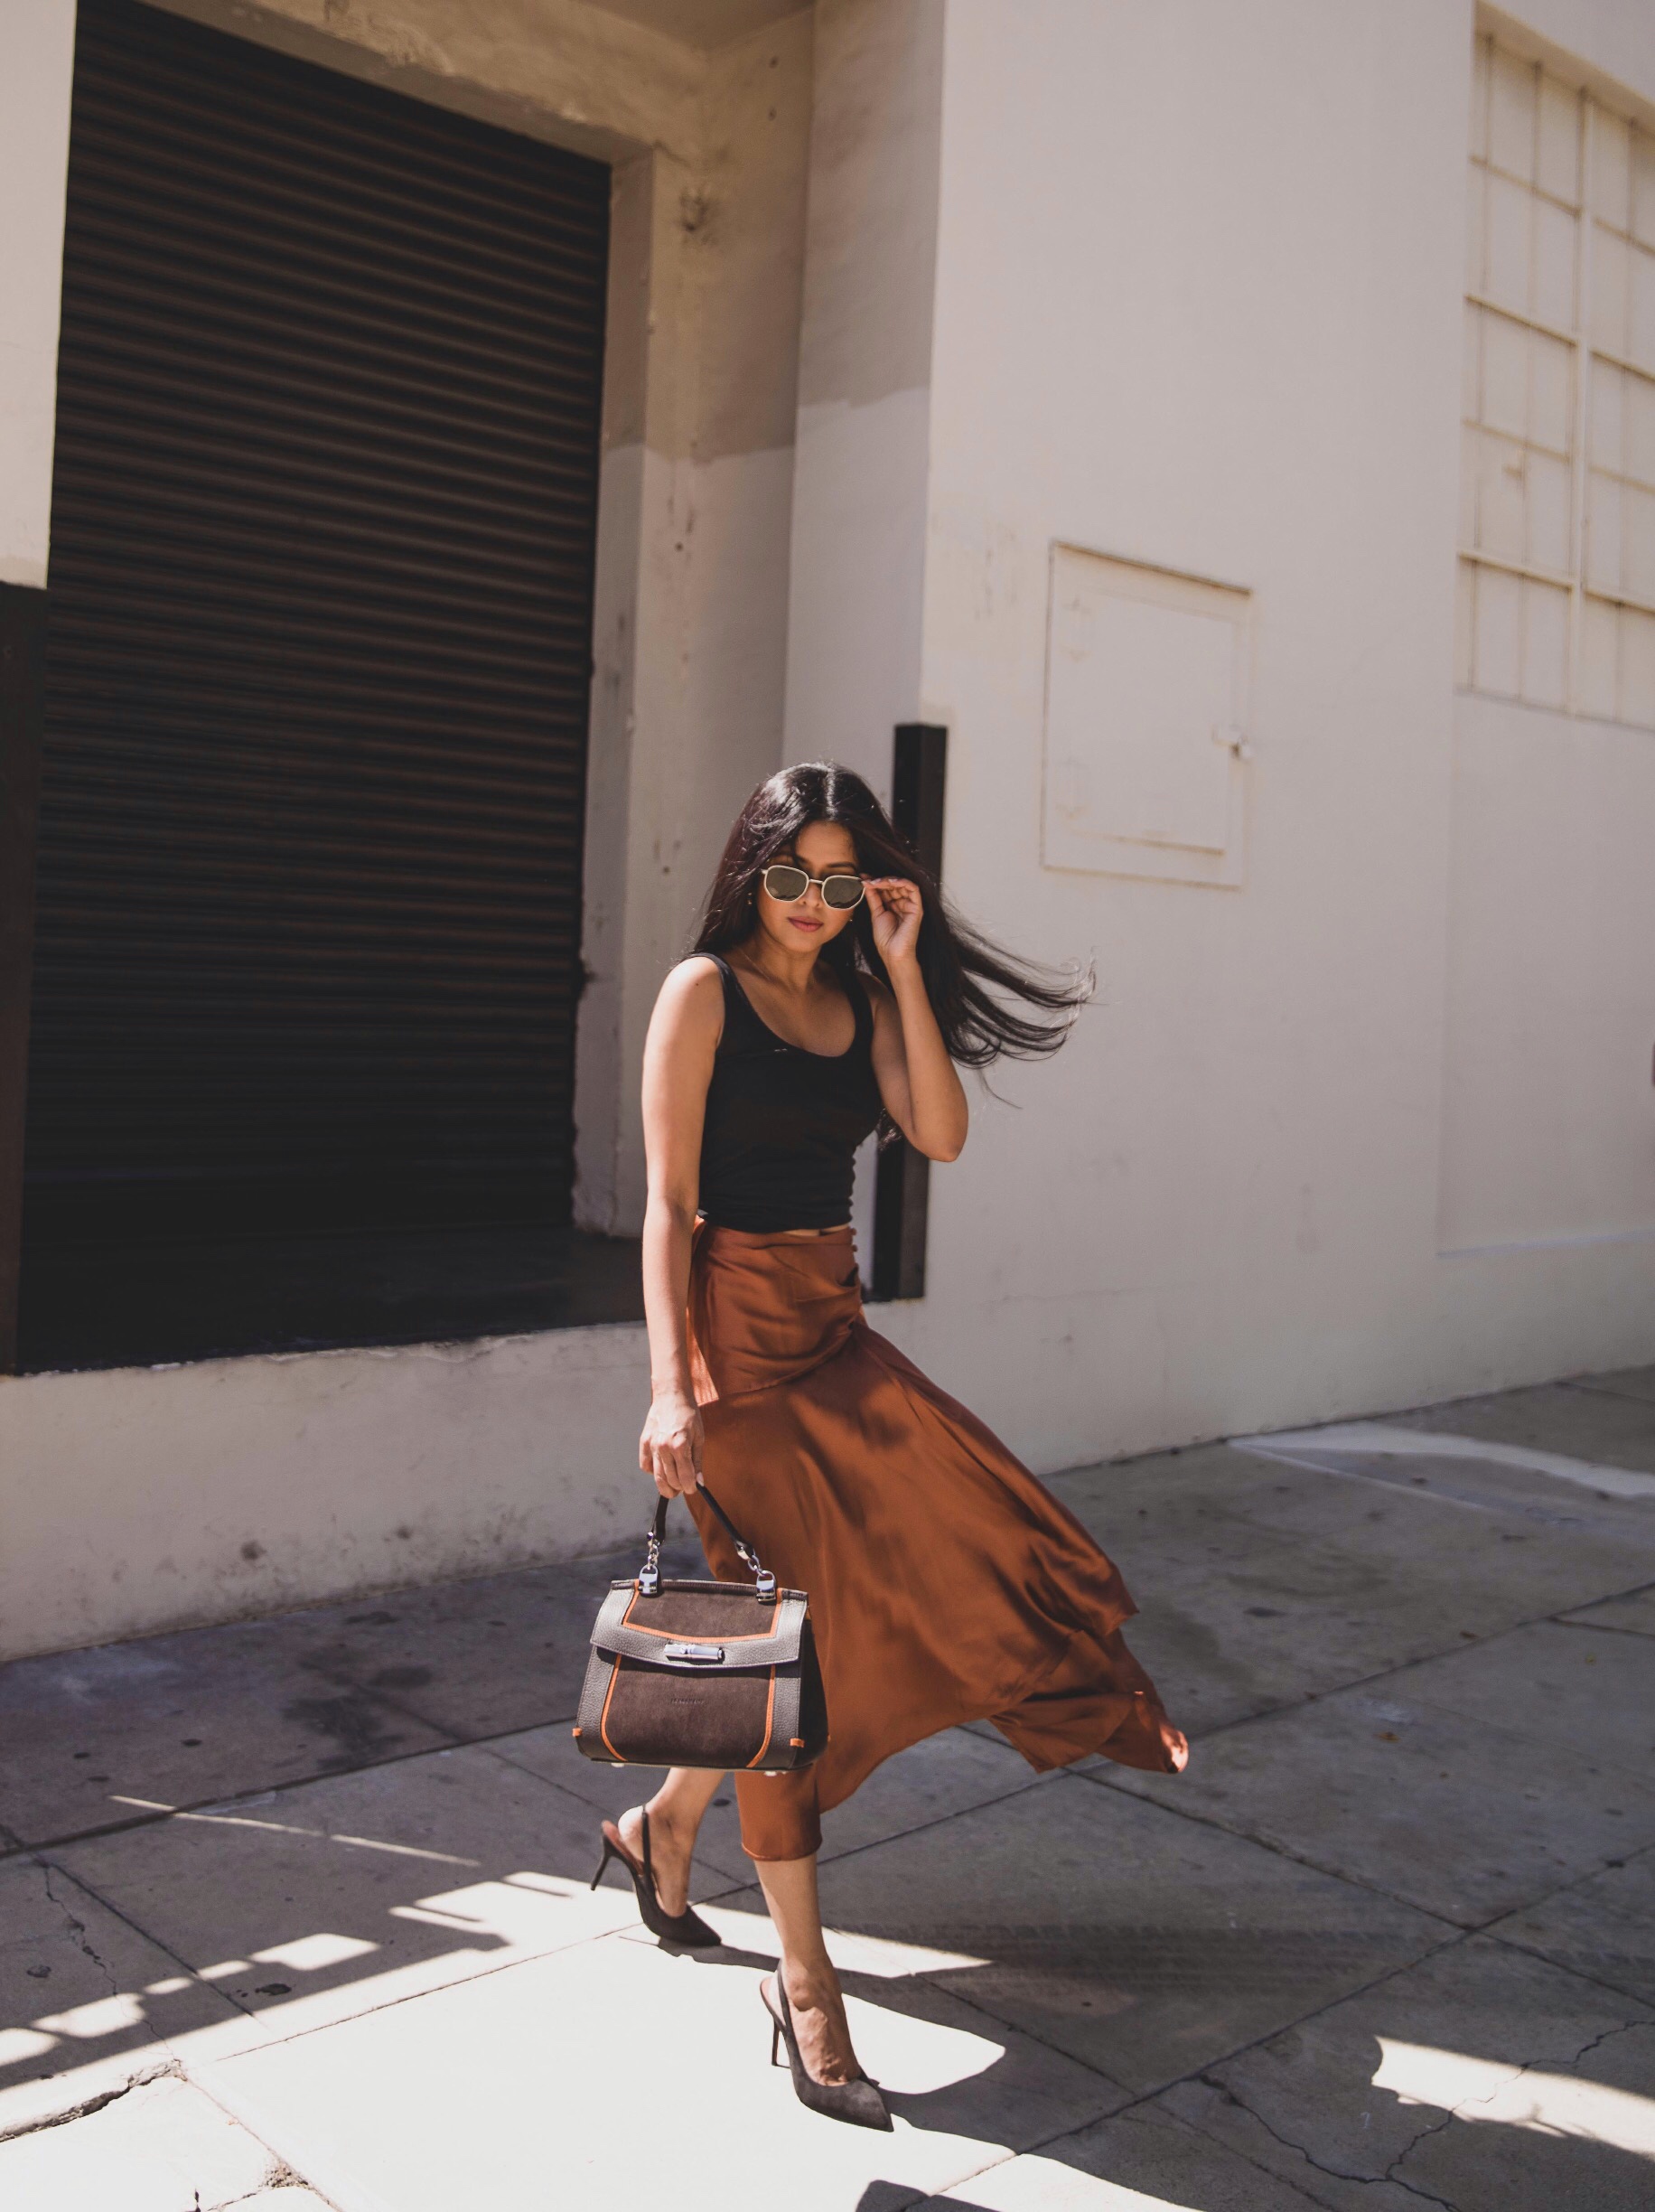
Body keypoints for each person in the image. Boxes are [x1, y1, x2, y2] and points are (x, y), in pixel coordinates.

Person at [598, 761, 1187, 2130]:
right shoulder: (702, 997)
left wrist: (906, 967)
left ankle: (663, 1829)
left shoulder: (860, 998)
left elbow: (940, 1133)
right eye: (791, 875)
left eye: (840, 881)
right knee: (790, 1649)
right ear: (754, 870)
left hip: (833, 1326)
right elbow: (666, 1206)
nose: (812, 903)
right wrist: (669, 1382)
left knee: (969, 1541)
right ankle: (805, 1983)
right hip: (734, 1355)